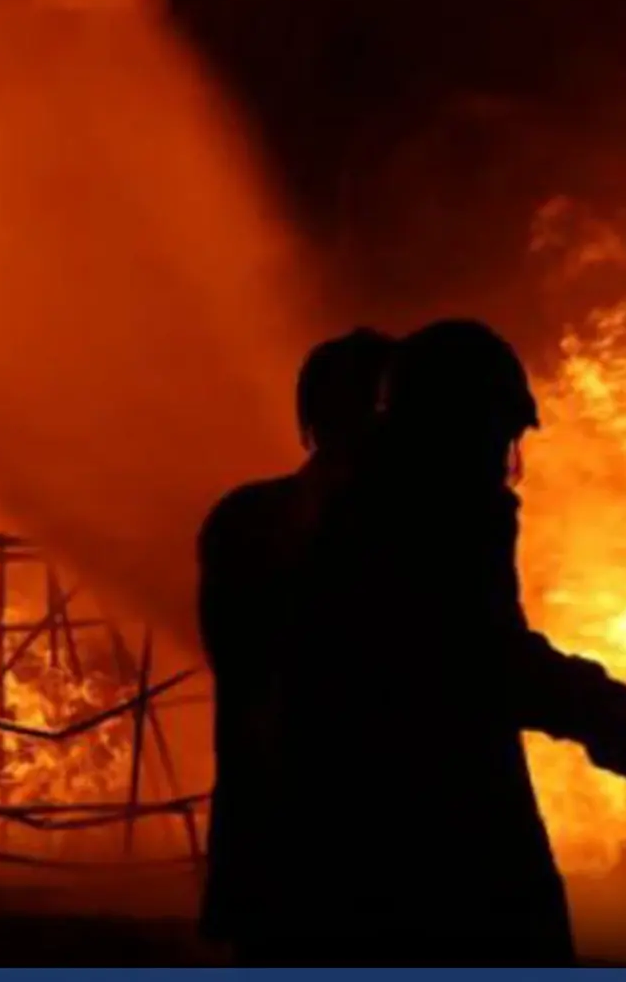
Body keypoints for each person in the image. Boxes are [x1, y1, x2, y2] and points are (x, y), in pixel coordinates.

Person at [271, 319, 626, 965]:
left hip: (338, 833)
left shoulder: (343, 508)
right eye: (498, 433)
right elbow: (480, 655)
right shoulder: (434, 515)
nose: (505, 457)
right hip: (436, 837)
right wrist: (599, 708)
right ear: (461, 425)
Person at [194, 328, 396, 962]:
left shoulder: (242, 516)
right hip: (366, 854)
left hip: (264, 841)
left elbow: (231, 660)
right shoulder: (395, 531)